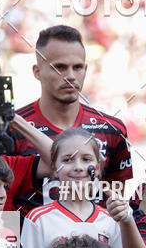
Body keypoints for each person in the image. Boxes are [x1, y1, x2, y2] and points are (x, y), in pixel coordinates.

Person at [11, 25, 133, 215]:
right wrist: (3, 246)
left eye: (77, 67)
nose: (70, 76)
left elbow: (115, 209)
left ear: (85, 69)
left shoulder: (112, 130)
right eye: (59, 67)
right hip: (27, 243)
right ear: (37, 71)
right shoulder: (12, 129)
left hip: (95, 244)